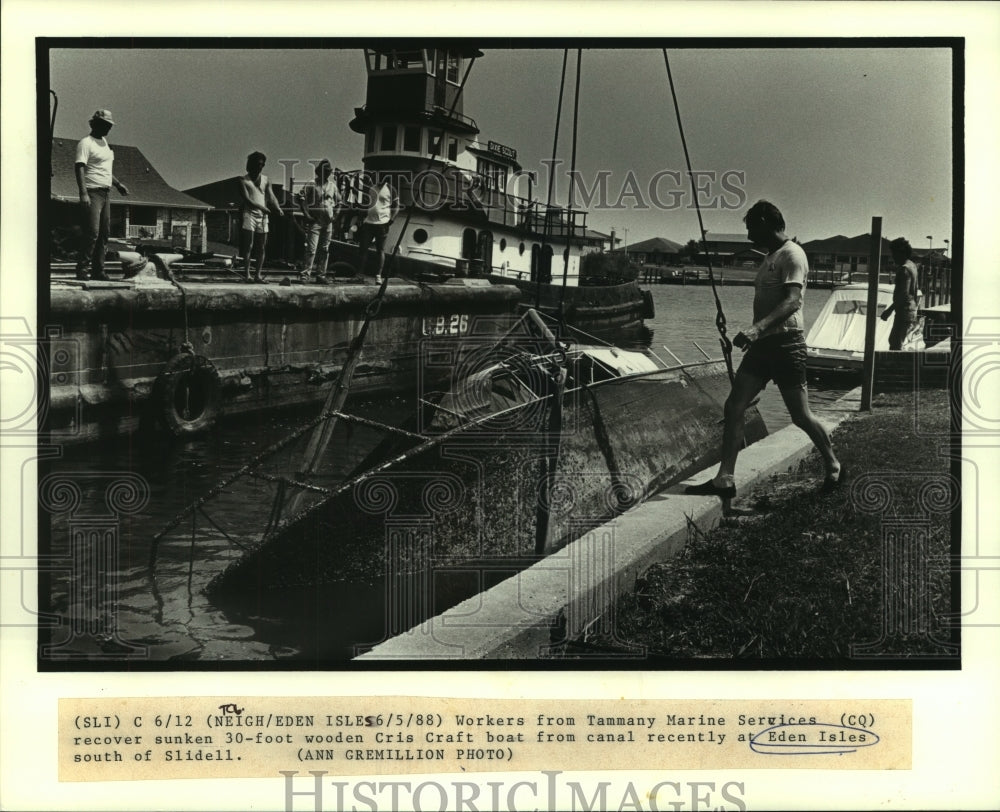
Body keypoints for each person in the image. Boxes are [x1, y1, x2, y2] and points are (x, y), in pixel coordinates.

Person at [686, 200, 843, 500]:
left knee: (800, 415)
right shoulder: (769, 257)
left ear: (765, 222)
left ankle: (834, 465)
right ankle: (725, 479)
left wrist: (756, 329)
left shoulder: (793, 254)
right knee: (734, 407)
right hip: (762, 347)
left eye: (751, 228)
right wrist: (754, 332)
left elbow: (793, 301)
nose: (748, 236)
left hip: (786, 345)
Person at [74, 109, 129, 281]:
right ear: (95, 124)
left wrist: (118, 184)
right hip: (92, 191)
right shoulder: (86, 143)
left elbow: (106, 170)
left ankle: (99, 270)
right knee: (92, 232)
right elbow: (80, 167)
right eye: (105, 125)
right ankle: (82, 268)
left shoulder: (105, 144)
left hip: (106, 192)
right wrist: (83, 193)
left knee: (104, 233)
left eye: (110, 125)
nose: (108, 128)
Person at [238, 151, 283, 282]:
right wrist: (262, 207)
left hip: (262, 217)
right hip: (249, 214)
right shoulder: (243, 180)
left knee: (261, 246)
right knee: (249, 245)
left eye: (262, 164)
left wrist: (277, 207)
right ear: (251, 164)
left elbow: (271, 196)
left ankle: (257, 275)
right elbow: (247, 200)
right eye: (257, 164)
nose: (260, 167)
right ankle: (247, 275)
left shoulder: (266, 180)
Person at [296, 159, 340, 284]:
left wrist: (336, 214)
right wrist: (306, 214)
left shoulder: (332, 186)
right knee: (311, 248)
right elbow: (300, 197)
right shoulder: (311, 184)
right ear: (319, 172)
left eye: (328, 171)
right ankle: (305, 275)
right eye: (324, 171)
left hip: (328, 222)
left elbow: (340, 201)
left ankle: (321, 275)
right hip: (315, 221)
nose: (326, 173)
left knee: (325, 249)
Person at [880, 237, 920, 350]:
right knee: (897, 340)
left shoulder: (904, 270)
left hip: (904, 311)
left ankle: (894, 366)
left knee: (895, 342)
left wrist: (889, 310)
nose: (893, 257)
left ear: (901, 253)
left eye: (894, 253)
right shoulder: (912, 265)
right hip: (911, 310)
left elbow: (903, 295)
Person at [356, 178, 399, 283]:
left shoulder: (391, 189)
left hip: (383, 224)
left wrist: (391, 220)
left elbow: (396, 206)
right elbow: (366, 204)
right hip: (369, 223)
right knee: (363, 248)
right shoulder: (371, 188)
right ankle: (360, 274)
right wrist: (360, 217)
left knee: (380, 250)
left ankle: (378, 276)